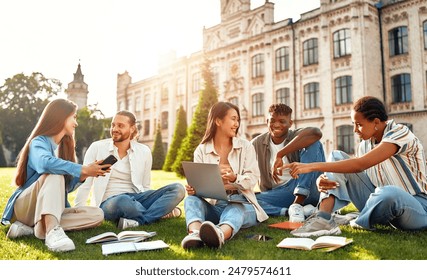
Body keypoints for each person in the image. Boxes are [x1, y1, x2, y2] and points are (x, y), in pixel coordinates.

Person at [282, 96, 427, 237]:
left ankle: (357, 219)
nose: (355, 130)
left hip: (416, 206)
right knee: (336, 156)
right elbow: (349, 170)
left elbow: (359, 165)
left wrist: (310, 167)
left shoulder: (400, 132)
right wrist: (324, 179)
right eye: (353, 124)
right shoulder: (365, 145)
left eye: (359, 124)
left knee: (389, 193)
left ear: (376, 122)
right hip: (378, 200)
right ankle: (323, 218)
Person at [1, 99, 106, 252]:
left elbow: (65, 188)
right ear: (61, 117)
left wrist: (86, 174)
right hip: (25, 206)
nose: (76, 123)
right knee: (54, 173)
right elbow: (44, 164)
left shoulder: (65, 147)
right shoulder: (39, 142)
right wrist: (82, 169)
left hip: (46, 208)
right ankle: (52, 232)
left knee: (97, 214)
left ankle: (31, 229)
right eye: (74, 117)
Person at [74, 110, 185, 230]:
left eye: (120, 126)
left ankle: (139, 221)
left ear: (132, 128)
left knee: (178, 189)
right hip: (109, 203)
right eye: (113, 125)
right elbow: (85, 183)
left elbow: (145, 185)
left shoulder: (144, 151)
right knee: (124, 201)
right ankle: (160, 213)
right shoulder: (97, 147)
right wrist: (78, 212)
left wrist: (146, 201)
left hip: (137, 199)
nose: (115, 129)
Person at [181, 101, 268, 249]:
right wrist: (195, 189)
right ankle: (195, 235)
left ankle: (220, 234)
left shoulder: (246, 147)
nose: (237, 124)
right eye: (233, 119)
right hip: (215, 205)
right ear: (218, 121)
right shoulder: (201, 150)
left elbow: (252, 179)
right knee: (191, 200)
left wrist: (235, 178)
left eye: (238, 119)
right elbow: (201, 185)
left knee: (236, 207)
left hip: (243, 203)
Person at [251, 103, 325, 222]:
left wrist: (280, 154)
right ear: (267, 121)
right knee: (246, 199)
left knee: (314, 143)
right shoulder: (256, 143)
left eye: (282, 121)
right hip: (279, 194)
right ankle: (290, 211)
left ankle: (297, 204)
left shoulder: (297, 136)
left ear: (290, 123)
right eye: (272, 120)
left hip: (306, 186)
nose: (276, 124)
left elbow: (316, 132)